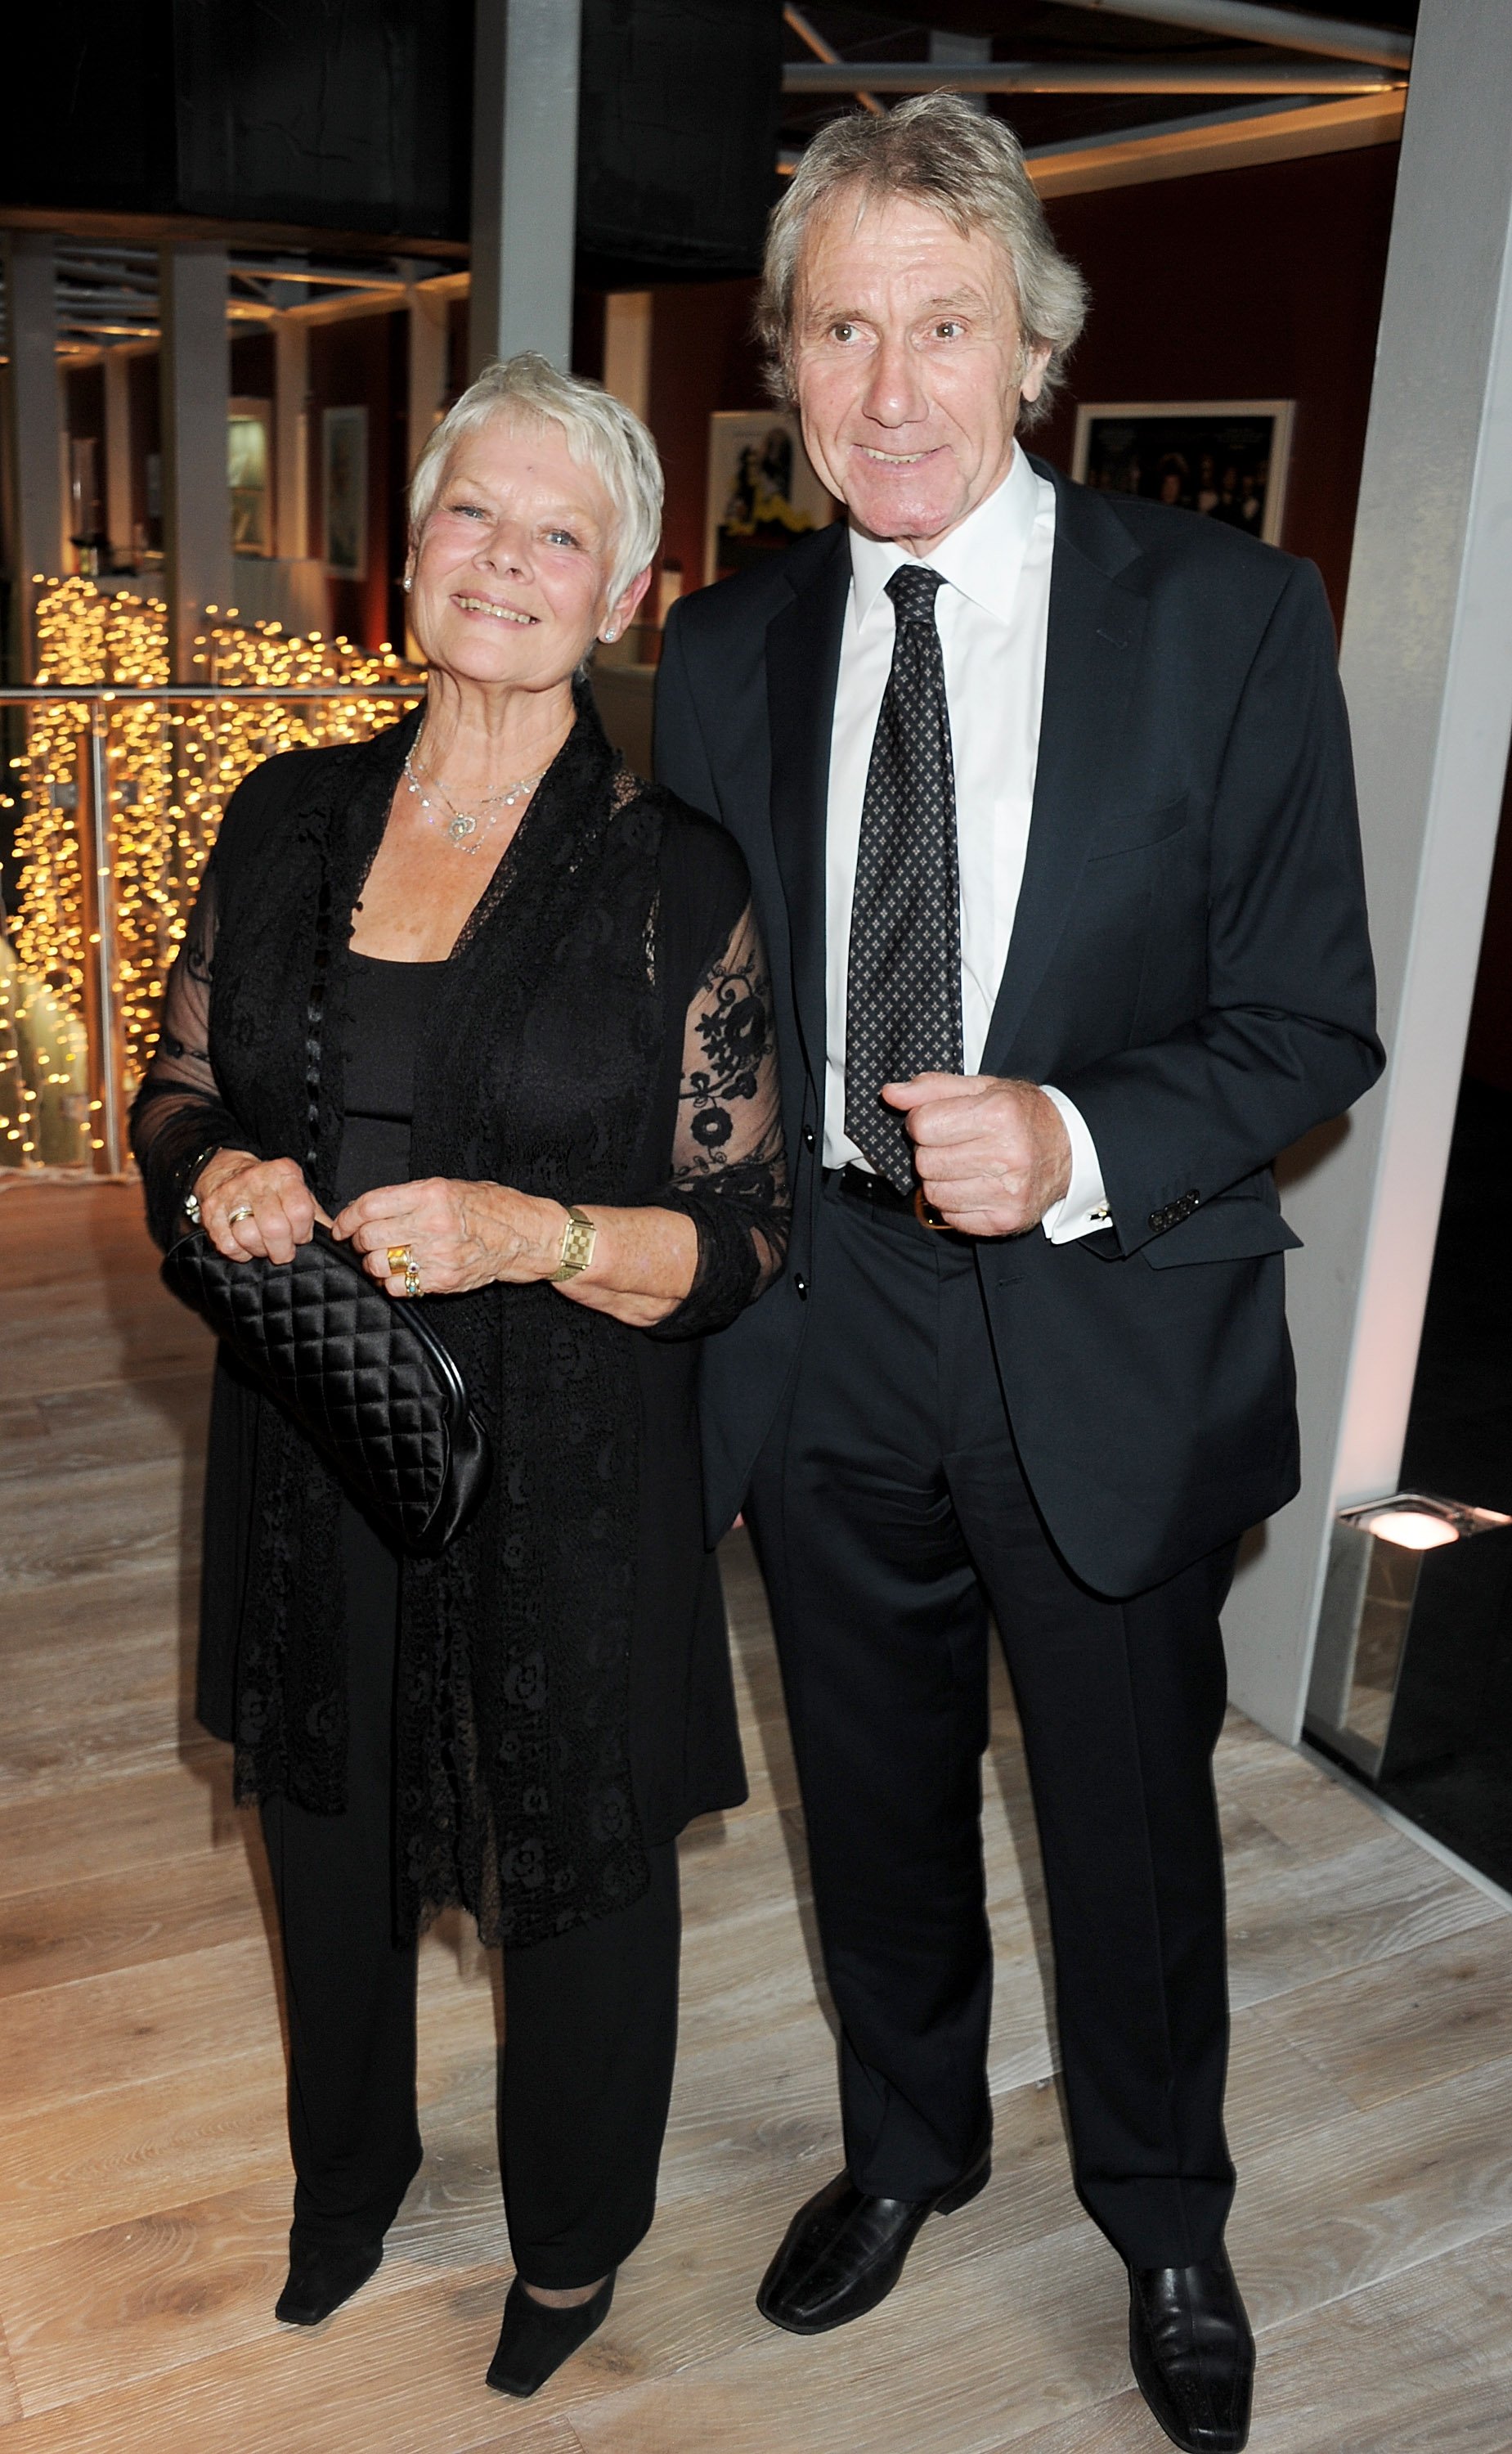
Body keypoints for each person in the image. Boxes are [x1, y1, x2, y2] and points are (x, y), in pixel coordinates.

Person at [654, 96, 1381, 2454]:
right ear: (785, 354)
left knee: (1126, 1823)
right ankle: (906, 2150)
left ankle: (1164, 2211)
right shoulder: (725, 643)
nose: (888, 386)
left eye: (939, 325)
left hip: (1103, 1321)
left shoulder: (1232, 619)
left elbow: (1307, 1019)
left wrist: (1072, 1133)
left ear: (1036, 348)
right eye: (841, 326)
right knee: (864, 1794)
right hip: (815, 1332)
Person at [131, 353, 787, 2400]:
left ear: (627, 591)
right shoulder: (284, 810)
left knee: (570, 1856)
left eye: (556, 531)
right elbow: (165, 1099)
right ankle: (350, 2183)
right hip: (316, 1424)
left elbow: (750, 1232)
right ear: (410, 552)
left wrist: (539, 1236)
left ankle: (574, 2242)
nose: (502, 560)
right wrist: (217, 1172)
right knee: (318, 1823)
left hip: (571, 1468)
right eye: (467, 516)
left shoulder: (678, 877)